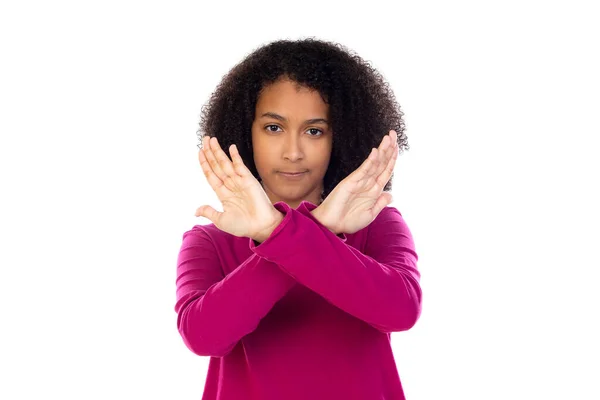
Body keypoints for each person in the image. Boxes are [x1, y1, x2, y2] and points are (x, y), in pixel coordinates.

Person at [174, 37, 421, 400]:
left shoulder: (377, 224)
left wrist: (278, 234)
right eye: (274, 128)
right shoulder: (209, 240)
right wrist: (314, 230)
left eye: (314, 130)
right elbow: (204, 336)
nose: (293, 152)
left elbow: (401, 311)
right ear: (246, 133)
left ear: (340, 137)